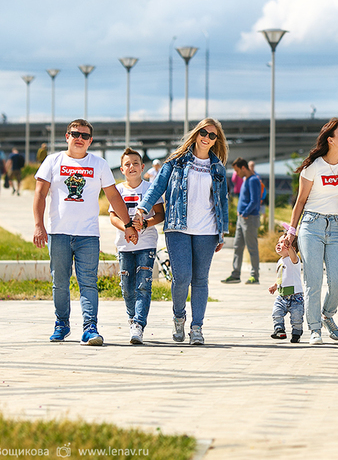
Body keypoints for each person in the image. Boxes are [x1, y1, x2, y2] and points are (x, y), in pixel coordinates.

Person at [33, 119, 139, 345]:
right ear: (67, 137)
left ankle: (90, 328)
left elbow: (113, 197)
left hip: (88, 235)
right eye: (75, 134)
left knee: (88, 282)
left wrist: (128, 224)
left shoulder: (99, 164)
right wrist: (38, 225)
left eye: (84, 135)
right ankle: (61, 324)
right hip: (58, 233)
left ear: (90, 140)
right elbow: (40, 195)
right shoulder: (53, 161)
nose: (79, 138)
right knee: (59, 281)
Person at [135, 118, 229, 345]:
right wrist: (142, 209)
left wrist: (222, 232)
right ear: (196, 134)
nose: (207, 138)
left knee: (200, 279)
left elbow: (222, 201)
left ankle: (197, 327)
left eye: (212, 135)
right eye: (203, 133)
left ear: (216, 140)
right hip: (178, 227)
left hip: (207, 230)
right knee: (182, 276)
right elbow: (157, 187)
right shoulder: (176, 162)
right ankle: (179, 317)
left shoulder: (218, 168)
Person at [285, 118, 338, 345]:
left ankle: (327, 314)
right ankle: (314, 329)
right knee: (313, 281)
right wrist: (291, 232)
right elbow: (300, 201)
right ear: (330, 140)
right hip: (311, 226)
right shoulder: (313, 168)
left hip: (337, 227)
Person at [109, 148, 165, 344]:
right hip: (124, 246)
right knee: (126, 287)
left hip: (146, 244)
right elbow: (112, 216)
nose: (131, 166)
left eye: (135, 163)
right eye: (127, 164)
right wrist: (126, 228)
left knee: (143, 285)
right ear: (122, 169)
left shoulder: (151, 188)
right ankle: (132, 319)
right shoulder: (118, 190)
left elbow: (160, 213)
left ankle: (139, 325)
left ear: (142, 167)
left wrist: (146, 224)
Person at [222, 158, 262, 284]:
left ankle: (254, 276)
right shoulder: (245, 179)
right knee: (237, 247)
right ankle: (235, 274)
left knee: (252, 248)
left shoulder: (253, 180)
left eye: (237, 170)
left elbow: (255, 200)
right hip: (242, 219)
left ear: (243, 168)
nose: (237, 173)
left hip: (249, 218)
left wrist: (245, 213)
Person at [268, 234, 304, 343]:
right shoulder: (280, 261)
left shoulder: (293, 259)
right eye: (278, 242)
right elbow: (281, 276)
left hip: (295, 297)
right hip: (282, 296)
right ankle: (279, 330)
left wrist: (289, 248)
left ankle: (296, 333)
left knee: (296, 318)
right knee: (276, 312)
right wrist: (275, 285)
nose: (279, 244)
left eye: (283, 243)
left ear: (293, 248)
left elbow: (293, 255)